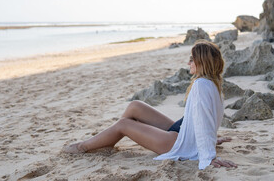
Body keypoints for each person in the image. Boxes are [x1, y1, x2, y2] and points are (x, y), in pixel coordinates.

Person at [63, 40, 237, 169]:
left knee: (124, 124)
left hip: (178, 142)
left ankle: (82, 147)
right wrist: (212, 139)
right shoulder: (213, 83)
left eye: (192, 59)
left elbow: (203, 121)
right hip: (182, 129)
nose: (188, 63)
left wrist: (208, 155)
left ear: (201, 62)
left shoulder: (201, 85)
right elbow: (210, 118)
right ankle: (108, 141)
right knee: (135, 106)